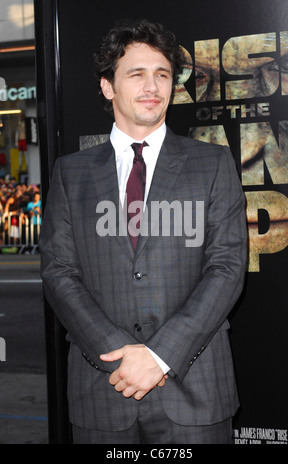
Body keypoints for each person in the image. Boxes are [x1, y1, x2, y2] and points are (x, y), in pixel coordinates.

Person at [39, 19, 247, 444]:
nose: (152, 86)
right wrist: (119, 355)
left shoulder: (212, 164)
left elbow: (226, 268)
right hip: (104, 389)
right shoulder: (70, 174)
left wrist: (160, 355)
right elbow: (59, 273)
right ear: (107, 86)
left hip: (196, 390)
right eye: (136, 74)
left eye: (163, 74)